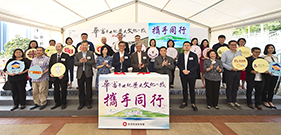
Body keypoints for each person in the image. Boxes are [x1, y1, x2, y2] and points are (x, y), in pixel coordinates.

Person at [221, 40, 244, 110]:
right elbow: (222, 63)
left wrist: (242, 67)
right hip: (229, 72)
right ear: (229, 45)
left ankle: (235, 100)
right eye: (232, 45)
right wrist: (231, 68)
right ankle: (229, 101)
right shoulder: (225, 53)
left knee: (236, 86)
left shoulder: (239, 53)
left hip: (238, 72)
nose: (234, 46)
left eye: (235, 45)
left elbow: (242, 61)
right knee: (229, 86)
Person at [177, 41, 198, 111]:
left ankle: (193, 103)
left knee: (192, 89)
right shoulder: (180, 55)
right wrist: (183, 70)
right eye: (185, 45)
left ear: (190, 47)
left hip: (191, 74)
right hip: (183, 74)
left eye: (188, 45)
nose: (186, 46)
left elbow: (196, 65)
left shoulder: (194, 55)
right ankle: (184, 102)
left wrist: (189, 71)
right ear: (183, 47)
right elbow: (178, 64)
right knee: (184, 88)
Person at [74, 41, 95, 110]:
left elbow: (93, 62)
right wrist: (80, 62)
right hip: (80, 73)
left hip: (88, 73)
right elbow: (75, 63)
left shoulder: (91, 53)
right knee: (81, 89)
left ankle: (88, 103)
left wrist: (86, 61)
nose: (84, 46)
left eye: (86, 45)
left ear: (87, 46)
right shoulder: (77, 54)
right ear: (81, 46)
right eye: (83, 45)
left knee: (89, 89)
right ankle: (81, 103)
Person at [49, 43, 70, 110]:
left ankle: (63, 103)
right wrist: (51, 73)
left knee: (63, 89)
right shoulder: (53, 56)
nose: (57, 48)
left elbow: (68, 66)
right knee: (56, 90)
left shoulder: (66, 55)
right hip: (55, 76)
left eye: (59, 46)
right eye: (56, 46)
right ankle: (57, 103)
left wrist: (63, 74)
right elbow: (50, 66)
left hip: (63, 76)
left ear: (62, 47)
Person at [261, 44, 278, 109]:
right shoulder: (263, 57)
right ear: (266, 49)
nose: (271, 49)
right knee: (266, 87)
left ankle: (270, 100)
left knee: (272, 88)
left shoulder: (275, 57)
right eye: (269, 48)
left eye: (272, 48)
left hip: (275, 74)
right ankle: (264, 100)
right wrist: (268, 71)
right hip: (267, 74)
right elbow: (262, 65)